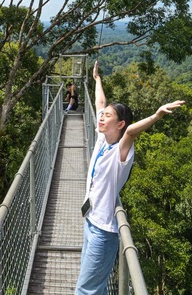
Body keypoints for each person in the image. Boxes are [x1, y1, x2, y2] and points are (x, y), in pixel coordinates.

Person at [75, 61, 184, 295]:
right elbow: (100, 103)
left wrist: (156, 115)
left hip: (103, 232)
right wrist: (97, 80)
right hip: (90, 222)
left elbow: (132, 131)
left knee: (85, 291)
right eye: (102, 116)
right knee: (95, 289)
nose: (101, 118)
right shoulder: (104, 140)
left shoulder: (121, 153)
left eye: (108, 117)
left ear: (120, 124)